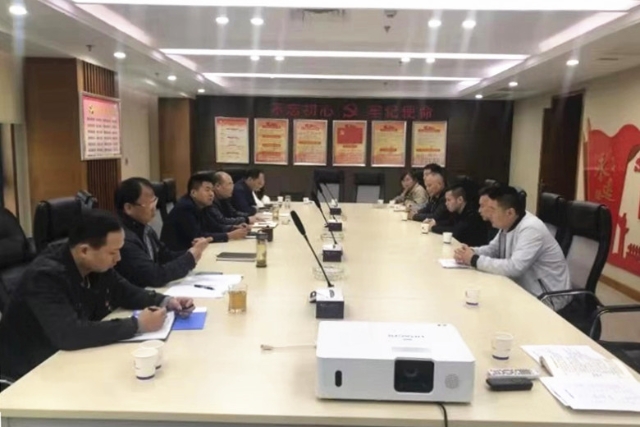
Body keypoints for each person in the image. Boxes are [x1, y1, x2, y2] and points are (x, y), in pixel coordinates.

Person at [0, 209, 195, 380]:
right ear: (84, 251)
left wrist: (165, 301)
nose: (118, 258)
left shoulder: (94, 263)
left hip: (70, 360)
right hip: (31, 372)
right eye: (112, 253)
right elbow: (69, 334)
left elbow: (125, 291)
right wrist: (137, 325)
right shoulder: (45, 276)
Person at [453, 186, 571, 310]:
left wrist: (474, 259)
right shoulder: (509, 223)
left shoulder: (531, 229)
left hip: (547, 298)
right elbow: (493, 249)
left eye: (493, 210)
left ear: (510, 212)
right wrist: (471, 252)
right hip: (522, 289)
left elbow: (515, 267)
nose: (489, 214)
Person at [114, 177, 210, 288]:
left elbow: (165, 256)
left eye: (154, 200)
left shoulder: (145, 228)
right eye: (149, 203)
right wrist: (189, 258)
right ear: (128, 208)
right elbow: (154, 276)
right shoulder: (122, 238)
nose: (154, 208)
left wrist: (193, 251)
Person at [161, 173, 248, 251]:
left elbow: (214, 226)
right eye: (207, 190)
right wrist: (229, 235)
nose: (211, 194)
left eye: (212, 190)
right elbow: (198, 236)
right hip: (177, 255)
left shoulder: (202, 205)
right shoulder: (185, 208)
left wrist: (233, 228)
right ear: (193, 193)